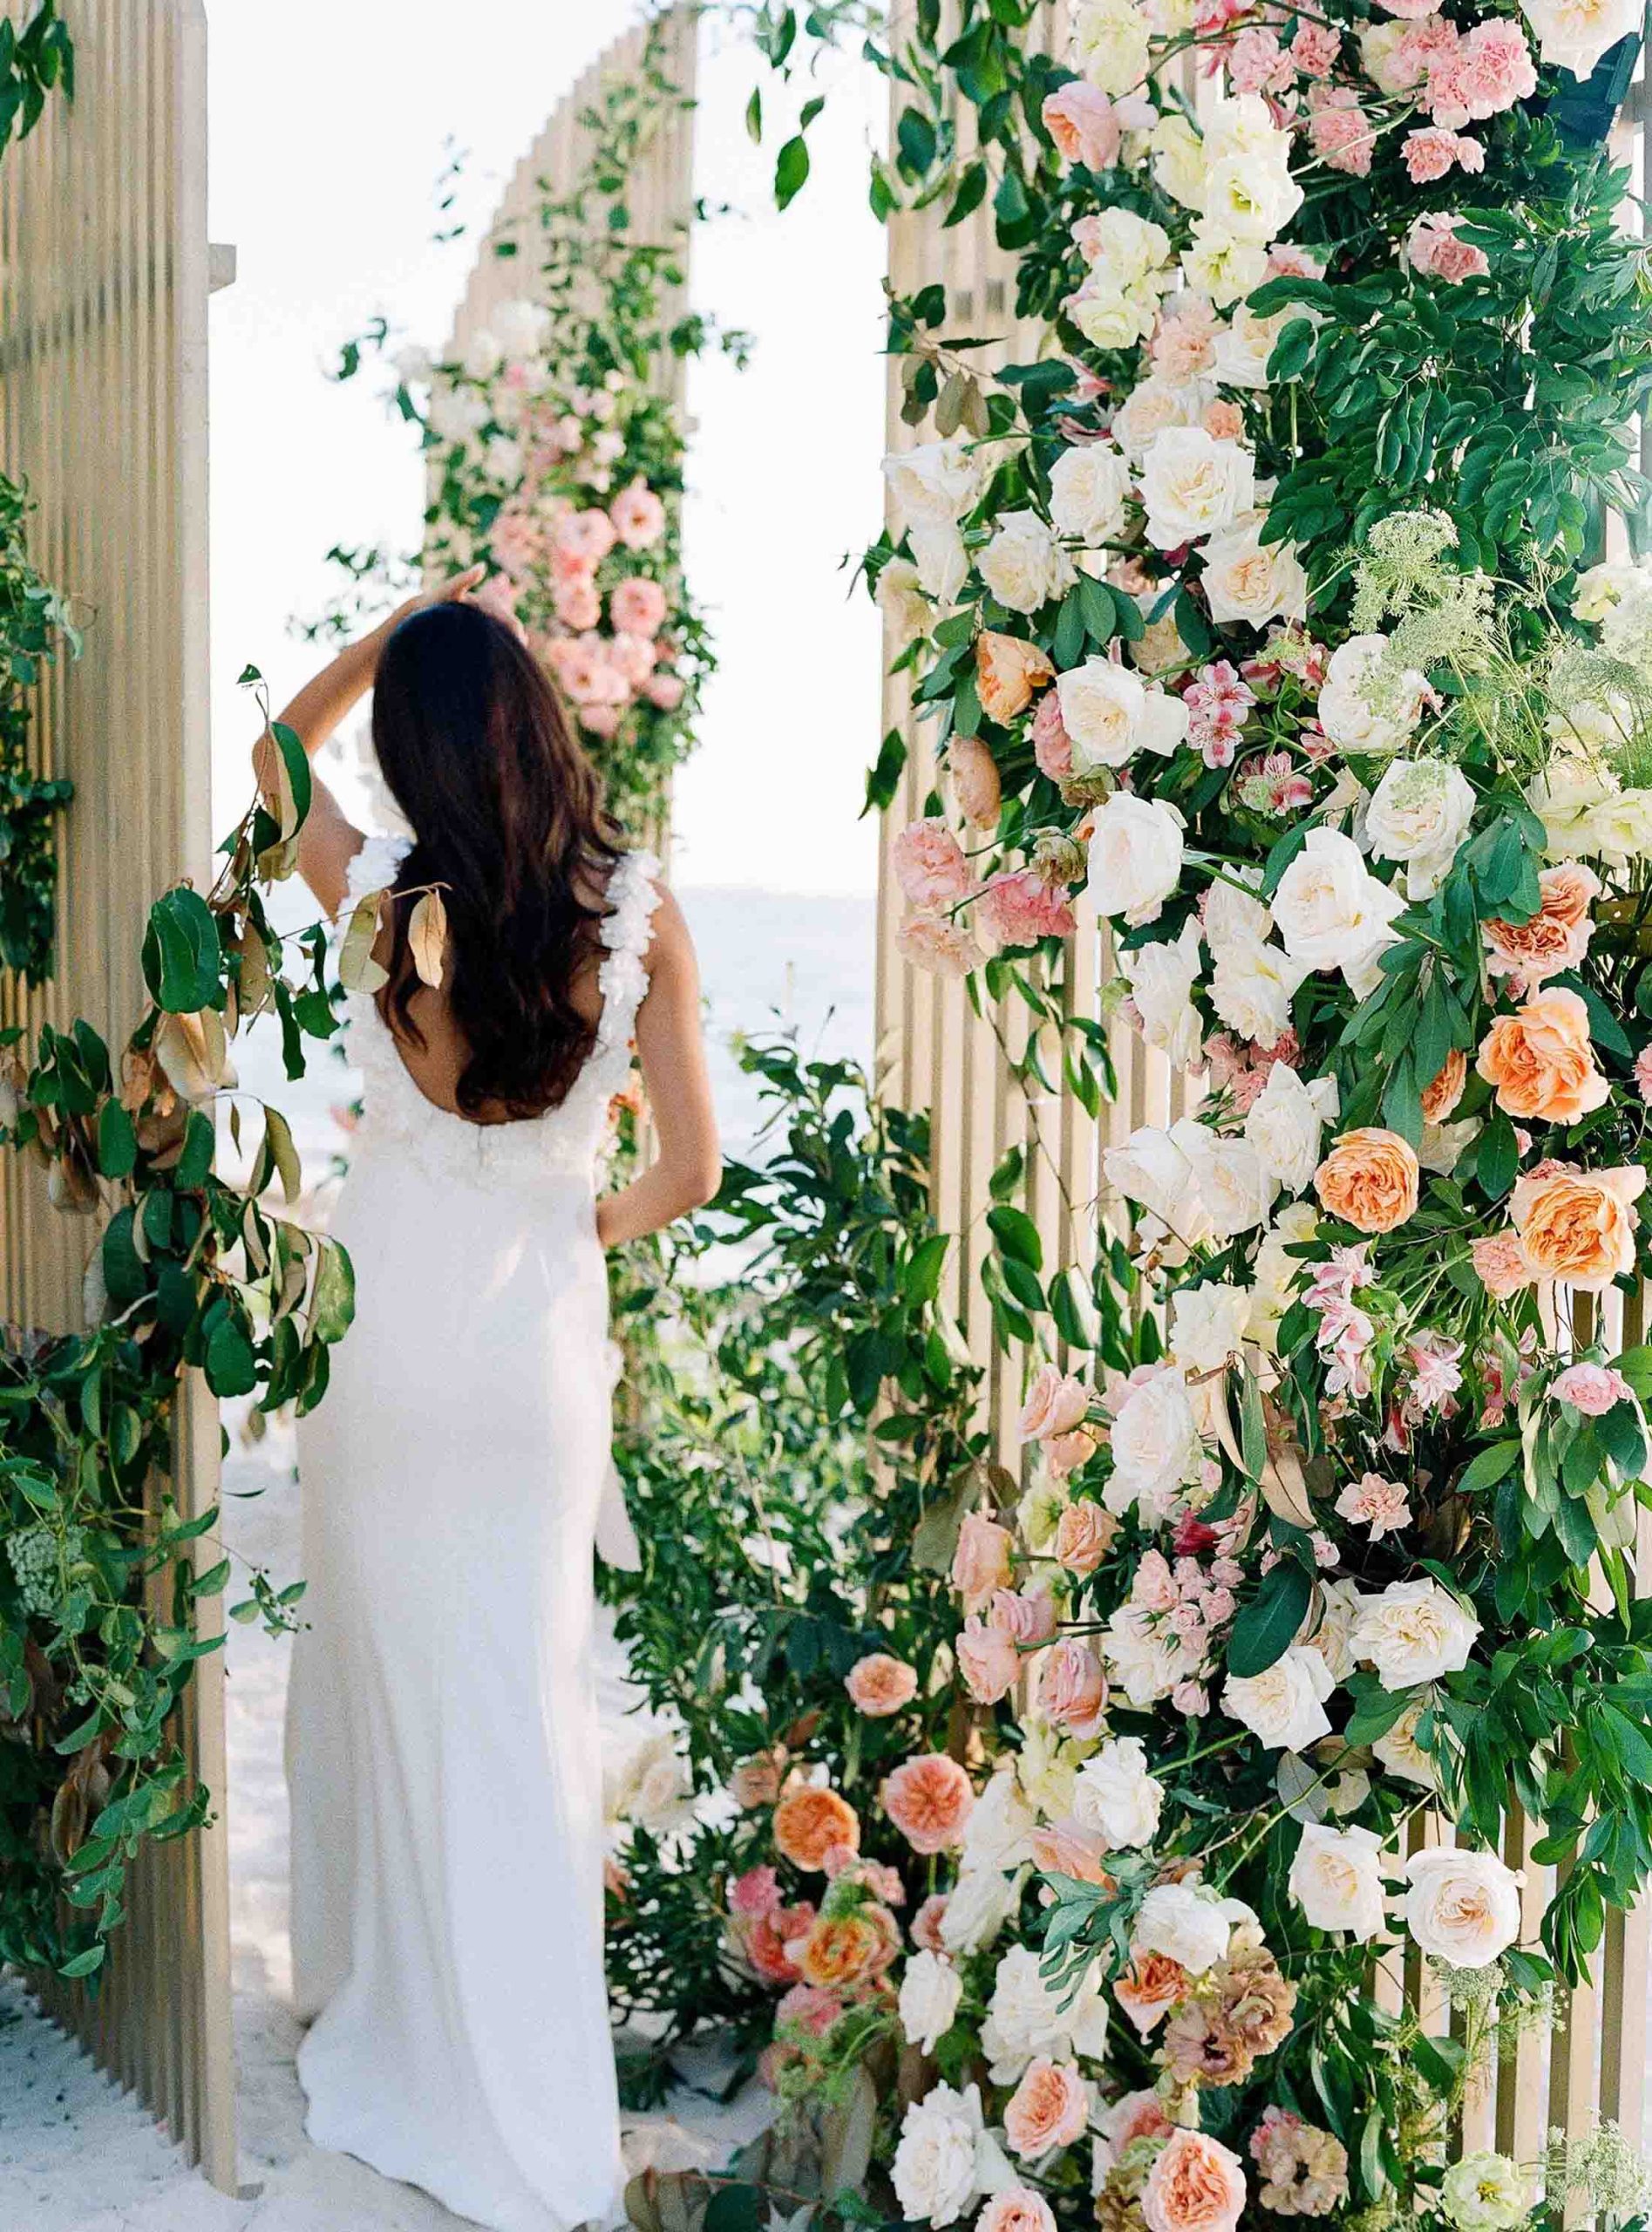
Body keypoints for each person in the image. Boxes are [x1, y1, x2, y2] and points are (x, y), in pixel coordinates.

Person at [271, 568, 719, 2232]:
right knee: (522, 1707)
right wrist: (562, 1226)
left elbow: (267, 754)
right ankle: (533, 2092)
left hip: (381, 1350)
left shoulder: (380, 895)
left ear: (414, 750)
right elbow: (691, 1171)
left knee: (390, 1681)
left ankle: (388, 2015)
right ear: (537, 729)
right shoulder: (637, 912)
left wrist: (384, 642)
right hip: (532, 1358)